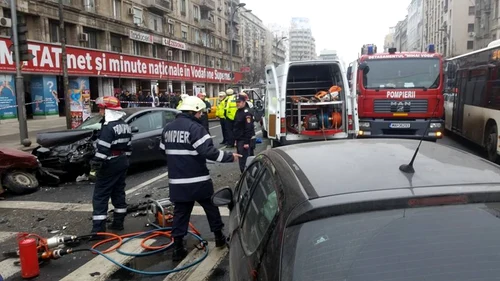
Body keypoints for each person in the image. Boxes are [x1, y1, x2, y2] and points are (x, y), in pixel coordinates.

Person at [159, 96, 241, 261]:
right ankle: (219, 238)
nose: (201, 115)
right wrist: (230, 157)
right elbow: (209, 152)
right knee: (211, 208)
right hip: (198, 180)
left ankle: (178, 248)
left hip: (178, 183)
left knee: (180, 214)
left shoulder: (167, 129)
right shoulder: (195, 128)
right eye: (200, 112)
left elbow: (162, 150)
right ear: (194, 111)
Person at [90, 96, 132, 235]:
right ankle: (118, 223)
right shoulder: (124, 125)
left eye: (102, 108)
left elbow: (102, 150)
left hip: (110, 163)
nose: (100, 111)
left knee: (100, 196)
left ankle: (98, 230)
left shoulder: (109, 127)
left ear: (108, 110)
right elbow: (129, 147)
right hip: (122, 162)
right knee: (118, 192)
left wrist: (94, 167)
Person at [233, 94, 255, 173]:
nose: (237, 103)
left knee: (244, 160)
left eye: (239, 102)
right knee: (241, 159)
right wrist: (236, 139)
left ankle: (246, 176)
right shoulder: (238, 111)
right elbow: (236, 126)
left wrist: (246, 142)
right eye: (236, 102)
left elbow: (248, 128)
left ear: (244, 102)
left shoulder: (247, 113)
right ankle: (244, 174)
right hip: (239, 139)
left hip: (244, 140)